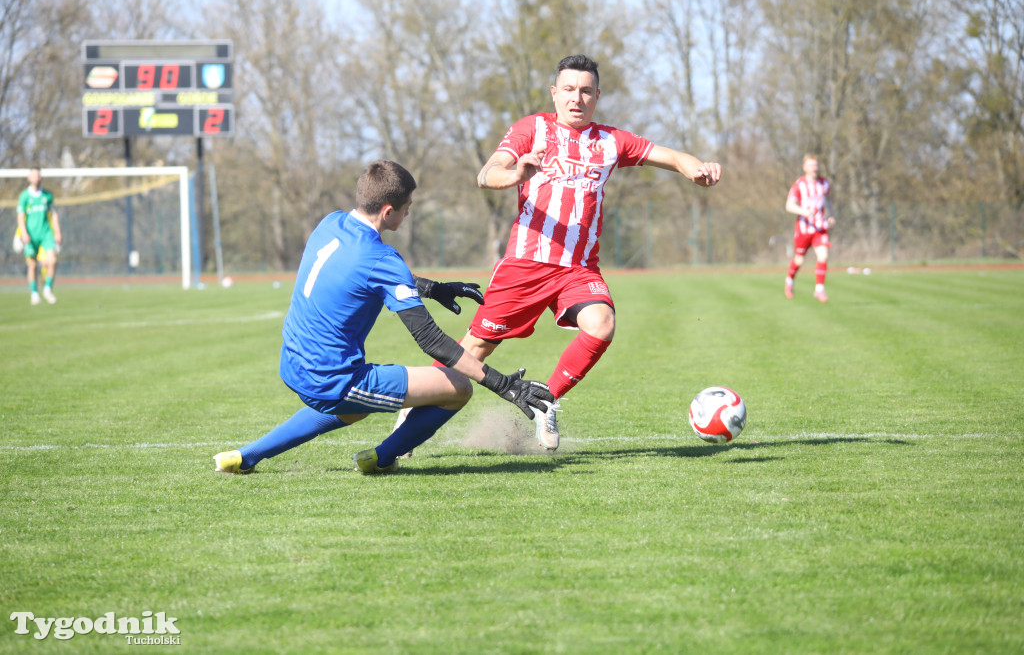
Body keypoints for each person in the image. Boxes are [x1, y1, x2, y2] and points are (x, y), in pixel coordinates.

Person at [426, 54, 721, 451]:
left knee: (602, 324)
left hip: (579, 269)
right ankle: (412, 415)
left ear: (597, 96)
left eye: (585, 91)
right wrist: (516, 174)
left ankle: (545, 401)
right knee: (472, 352)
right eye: (568, 89)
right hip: (526, 264)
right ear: (554, 93)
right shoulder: (533, 129)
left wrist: (696, 169)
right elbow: (487, 174)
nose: (576, 98)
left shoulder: (611, 141)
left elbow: (668, 155)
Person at [213, 160, 553, 475]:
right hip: (333, 378)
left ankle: (245, 456)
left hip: (292, 363)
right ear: (389, 211)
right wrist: (503, 385)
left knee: (354, 409)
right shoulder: (382, 259)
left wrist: (433, 289)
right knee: (459, 388)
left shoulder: (331, 223)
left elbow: (362, 273)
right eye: (407, 208)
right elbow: (430, 340)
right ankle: (381, 459)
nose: (409, 213)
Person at [784, 154, 835, 303]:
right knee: (799, 260)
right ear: (804, 167)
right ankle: (789, 280)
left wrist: (831, 216)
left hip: (820, 228)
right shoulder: (799, 184)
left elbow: (828, 201)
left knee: (823, 255)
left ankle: (819, 289)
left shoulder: (824, 183)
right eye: (811, 165)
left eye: (816, 165)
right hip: (804, 228)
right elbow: (789, 206)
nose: (814, 168)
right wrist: (804, 212)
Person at [16, 167, 62, 305]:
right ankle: (34, 293)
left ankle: (47, 288)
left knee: (52, 260)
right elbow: (20, 216)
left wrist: (58, 232)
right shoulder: (24, 196)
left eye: (38, 175)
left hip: (46, 233)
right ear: (29, 178)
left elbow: (53, 214)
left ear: (40, 178)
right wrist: (23, 233)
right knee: (33, 265)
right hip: (31, 235)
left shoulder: (47, 196)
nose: (36, 178)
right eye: (33, 175)